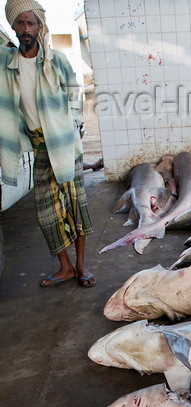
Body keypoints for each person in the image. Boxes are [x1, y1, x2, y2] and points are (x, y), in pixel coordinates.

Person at [0, 0, 95, 287]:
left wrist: (73, 125)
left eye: (31, 23)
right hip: (39, 147)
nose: (26, 28)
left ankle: (80, 265)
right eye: (20, 23)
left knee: (76, 207)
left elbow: (75, 96)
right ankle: (64, 267)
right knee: (46, 214)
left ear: (40, 27)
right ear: (13, 27)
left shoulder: (58, 62)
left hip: (65, 147)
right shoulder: (6, 66)